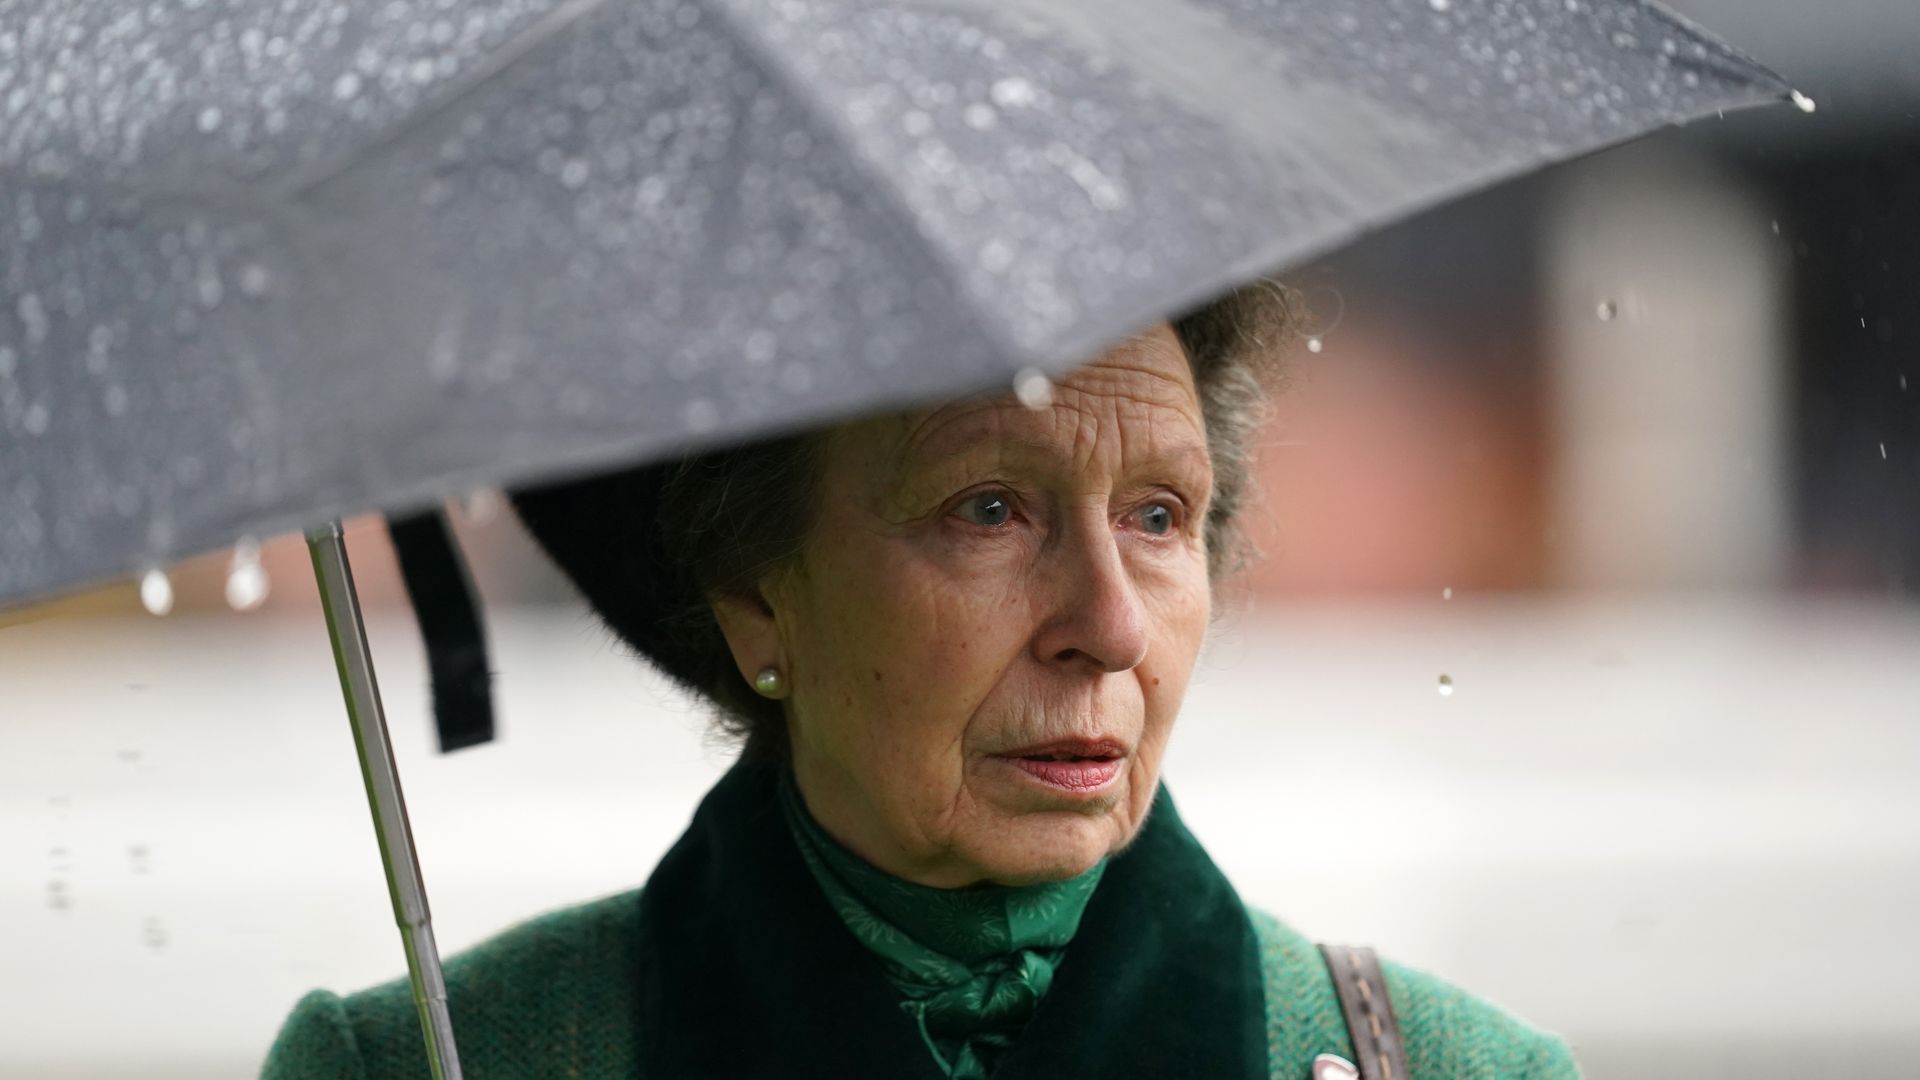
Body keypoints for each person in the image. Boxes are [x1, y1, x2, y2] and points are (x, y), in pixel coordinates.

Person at [262, 285, 1581, 1079]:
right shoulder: (438, 1064)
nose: (1110, 625)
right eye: (992, 508)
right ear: (757, 589)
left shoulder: (1457, 1068)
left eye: (1162, 517)